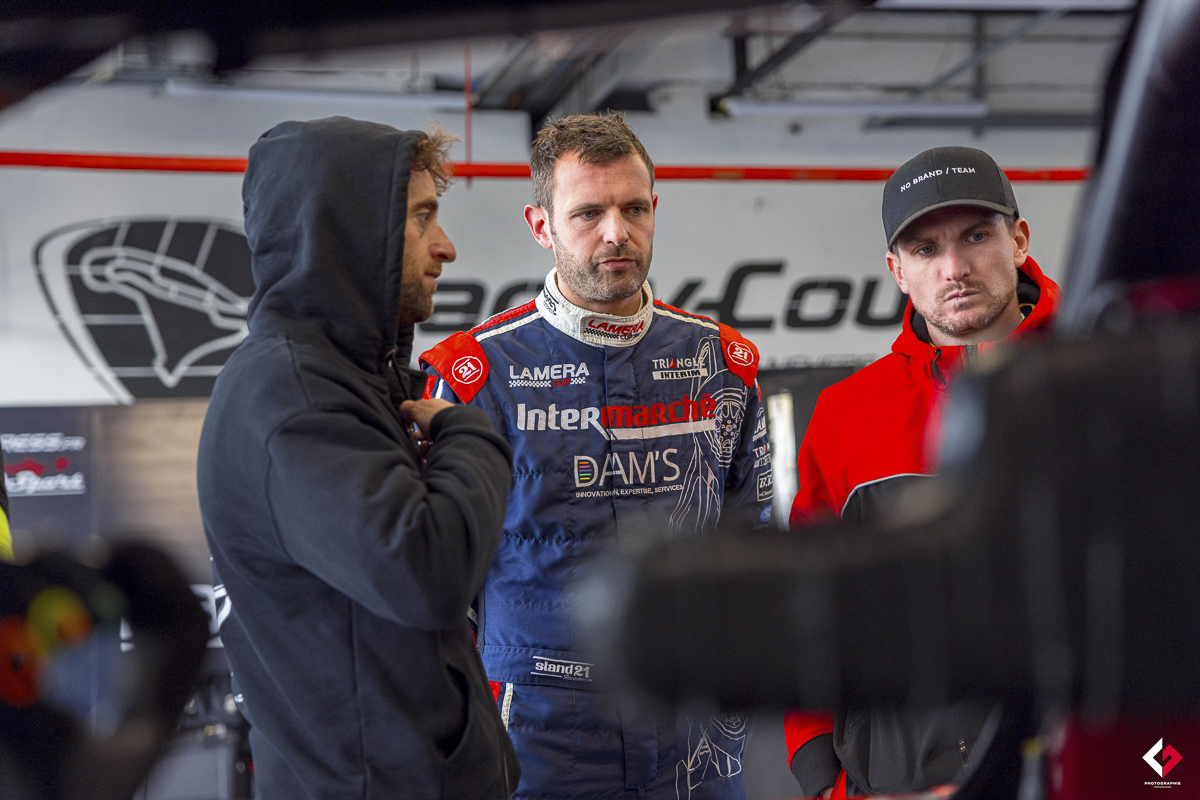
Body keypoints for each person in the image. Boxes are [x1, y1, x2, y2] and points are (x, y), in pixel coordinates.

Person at [420, 113, 773, 800]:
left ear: (653, 209)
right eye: (588, 213)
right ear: (541, 225)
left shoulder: (720, 362)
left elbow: (754, 534)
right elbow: (437, 579)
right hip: (535, 730)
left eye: (633, 208)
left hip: (692, 721)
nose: (616, 233)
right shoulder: (476, 374)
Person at [197, 117, 519, 800]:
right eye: (423, 218)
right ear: (348, 230)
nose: (447, 246)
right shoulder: (291, 396)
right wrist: (473, 436)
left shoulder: (339, 378)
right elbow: (427, 568)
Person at [783, 146, 1062, 798]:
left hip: (1065, 771)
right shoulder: (846, 415)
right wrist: (821, 770)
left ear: (1018, 240)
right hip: (897, 778)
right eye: (925, 250)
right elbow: (811, 608)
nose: (955, 268)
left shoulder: (1097, 385)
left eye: (975, 236)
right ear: (897, 271)